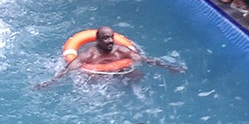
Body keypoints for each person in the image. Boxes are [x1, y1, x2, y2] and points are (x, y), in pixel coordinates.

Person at [37, 26, 184, 87]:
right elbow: (70, 68)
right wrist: (50, 82)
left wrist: (170, 67)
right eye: (106, 38)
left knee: (138, 75)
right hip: (98, 77)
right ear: (98, 40)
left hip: (119, 72)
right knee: (91, 81)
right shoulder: (90, 54)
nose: (111, 41)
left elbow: (145, 60)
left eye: (112, 37)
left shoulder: (121, 51)